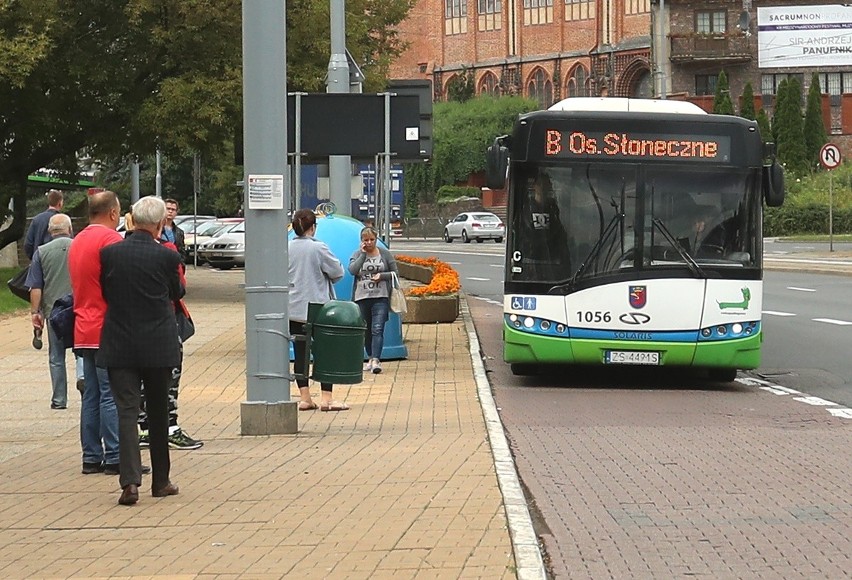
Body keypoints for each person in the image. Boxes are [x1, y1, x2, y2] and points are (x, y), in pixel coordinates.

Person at [99, 196, 183, 506]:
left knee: (127, 412)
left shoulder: (109, 254)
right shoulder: (167, 258)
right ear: (161, 223)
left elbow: (105, 292)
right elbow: (177, 294)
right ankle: (161, 481)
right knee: (158, 412)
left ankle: (130, 482)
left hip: (119, 342)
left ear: (132, 220)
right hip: (158, 345)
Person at [68, 190, 122, 475]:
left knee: (90, 394)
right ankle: (115, 456)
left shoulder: (78, 240)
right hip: (107, 327)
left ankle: (91, 455)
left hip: (82, 326)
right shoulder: (111, 240)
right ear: (113, 213)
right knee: (110, 393)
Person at [137, 237, 204, 451]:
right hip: (165, 323)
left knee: (139, 379)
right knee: (169, 377)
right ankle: (170, 428)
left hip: (132, 325)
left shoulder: (116, 251)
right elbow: (178, 289)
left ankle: (144, 428)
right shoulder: (167, 252)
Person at [288, 208, 348, 412]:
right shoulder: (319, 248)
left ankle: (305, 398)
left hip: (293, 307)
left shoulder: (286, 248)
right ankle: (327, 399)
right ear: (313, 227)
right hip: (318, 307)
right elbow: (337, 272)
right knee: (324, 352)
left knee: (300, 352)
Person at [25, 214, 75, 409]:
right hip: (79, 307)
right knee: (83, 352)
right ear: (69, 229)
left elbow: (36, 286)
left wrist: (35, 312)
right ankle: (83, 379)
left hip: (54, 310)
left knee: (56, 357)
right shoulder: (79, 246)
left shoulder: (41, 252)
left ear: (49, 231)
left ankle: (59, 399)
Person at [348, 226, 398, 374]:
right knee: (366, 330)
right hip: (362, 297)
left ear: (376, 239)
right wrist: (363, 255)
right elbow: (352, 270)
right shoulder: (357, 254)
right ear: (361, 241)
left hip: (380, 296)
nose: (369, 242)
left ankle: (376, 359)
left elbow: (395, 273)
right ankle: (370, 357)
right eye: (366, 240)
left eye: (372, 239)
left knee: (377, 328)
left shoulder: (385, 254)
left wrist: (382, 276)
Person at [24, 189, 64, 260]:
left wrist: (34, 258)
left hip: (39, 260)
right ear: (60, 203)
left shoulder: (36, 219)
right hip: (57, 261)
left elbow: (28, 244)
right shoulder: (63, 220)